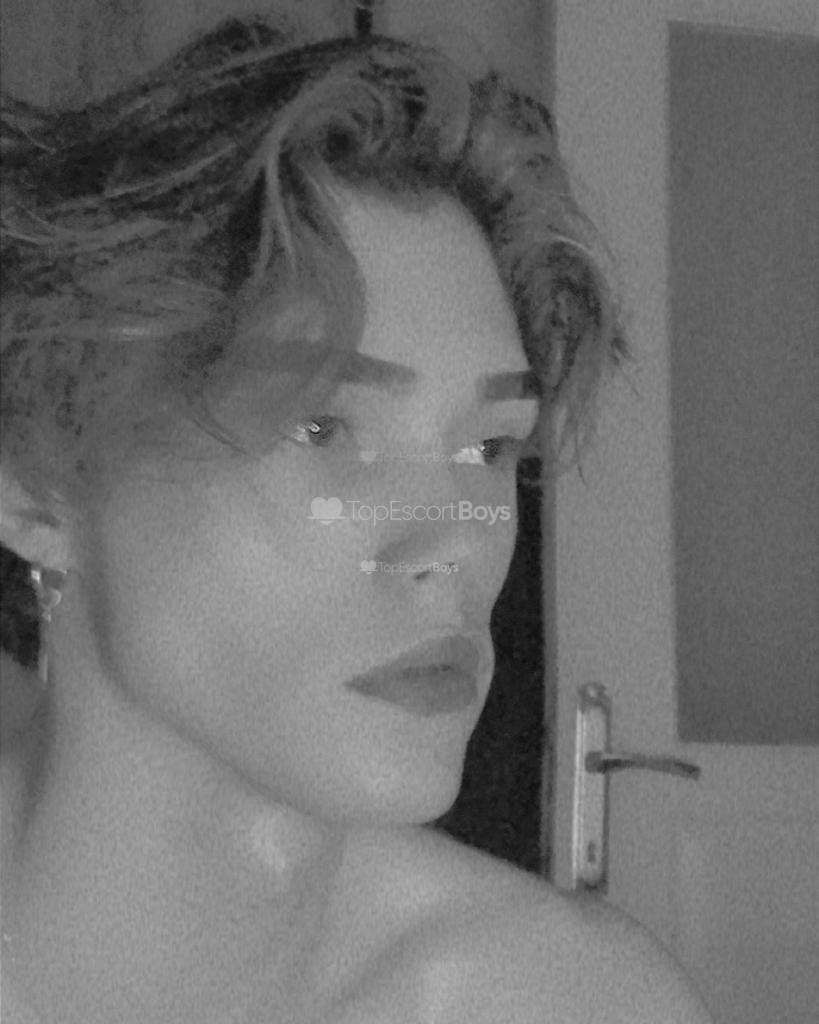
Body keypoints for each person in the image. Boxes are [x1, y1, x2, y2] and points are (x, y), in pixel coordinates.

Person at [0, 16, 712, 1023]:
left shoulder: (569, 1001)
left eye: (489, 446)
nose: (455, 543)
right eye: (322, 426)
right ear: (36, 483)